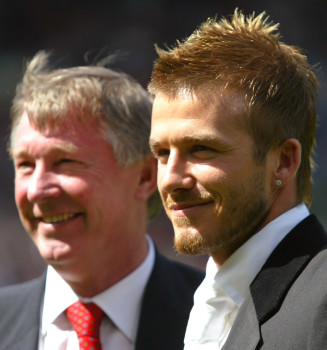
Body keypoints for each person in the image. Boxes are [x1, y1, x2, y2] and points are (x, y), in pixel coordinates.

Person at [0, 51, 204, 350]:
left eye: (66, 161)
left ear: (145, 177)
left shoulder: (224, 319)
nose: (37, 190)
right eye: (25, 165)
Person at [148, 9, 327, 350]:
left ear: (284, 162)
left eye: (201, 148)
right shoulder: (202, 299)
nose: (170, 178)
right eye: (162, 153)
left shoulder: (320, 305)